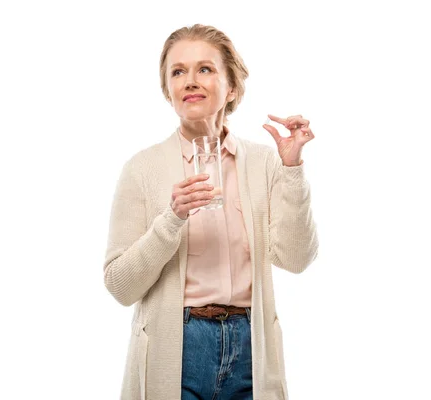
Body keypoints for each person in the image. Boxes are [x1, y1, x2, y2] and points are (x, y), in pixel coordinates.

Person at [103, 23, 319, 400]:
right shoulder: (142, 169)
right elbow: (120, 286)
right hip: (179, 343)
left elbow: (296, 258)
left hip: (253, 344)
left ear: (232, 86)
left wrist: (291, 170)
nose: (190, 80)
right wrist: (171, 220)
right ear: (168, 91)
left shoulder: (265, 163)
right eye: (178, 71)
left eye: (205, 69)